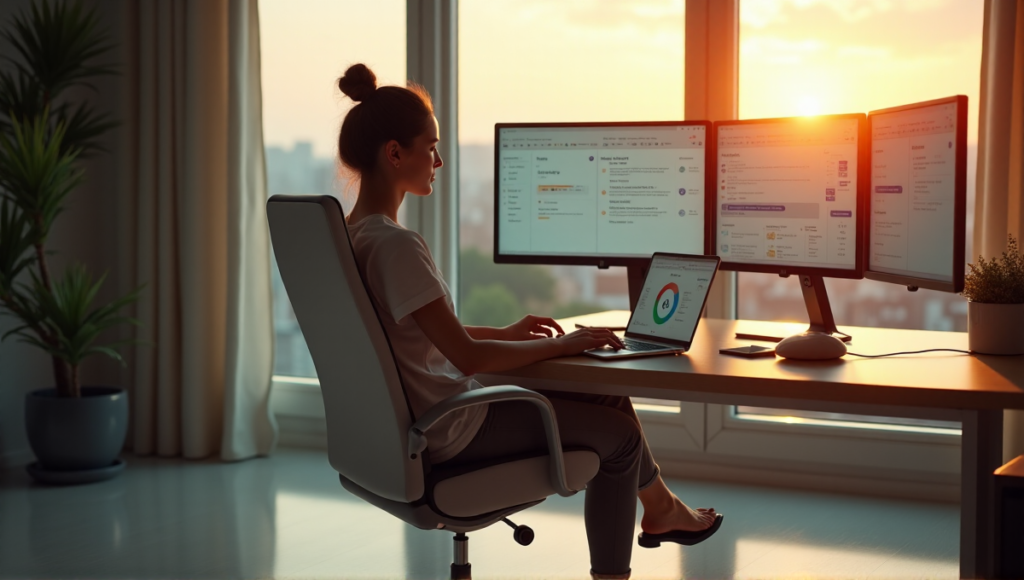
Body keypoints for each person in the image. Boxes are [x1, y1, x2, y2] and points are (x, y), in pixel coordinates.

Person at [336, 63, 722, 580]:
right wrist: (564, 346)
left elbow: (412, 338)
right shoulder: (397, 244)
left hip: (419, 422)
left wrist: (508, 332)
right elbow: (467, 359)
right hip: (453, 430)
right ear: (394, 153)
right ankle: (632, 549)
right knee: (621, 439)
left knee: (608, 396)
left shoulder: (352, 237)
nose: (440, 159)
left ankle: (661, 508)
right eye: (430, 146)